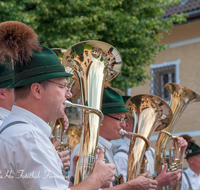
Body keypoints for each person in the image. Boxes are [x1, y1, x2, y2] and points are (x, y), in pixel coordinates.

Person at [0, 21, 115, 190]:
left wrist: (76, 180)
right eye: (62, 87)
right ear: (37, 90)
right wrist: (97, 178)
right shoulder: (28, 137)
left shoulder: (19, 131)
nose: (68, 94)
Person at [70, 87, 158, 190]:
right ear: (101, 119)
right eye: (120, 119)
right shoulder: (89, 148)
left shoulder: (107, 149)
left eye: (124, 120)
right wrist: (132, 185)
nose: (124, 125)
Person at [114, 95, 188, 189]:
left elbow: (172, 185)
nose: (148, 122)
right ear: (126, 125)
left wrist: (179, 154)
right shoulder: (121, 156)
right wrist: (158, 183)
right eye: (142, 118)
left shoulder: (152, 152)